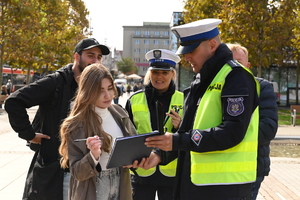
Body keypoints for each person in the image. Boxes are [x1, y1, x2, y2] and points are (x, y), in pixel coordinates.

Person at [143, 18, 260, 200]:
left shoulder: (236, 77)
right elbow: (187, 131)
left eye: (192, 51)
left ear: (212, 45)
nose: (186, 57)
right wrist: (160, 154)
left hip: (225, 188)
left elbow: (232, 132)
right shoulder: (202, 79)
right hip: (197, 185)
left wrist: (177, 141)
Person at [4, 38, 110, 200]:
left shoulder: (94, 85)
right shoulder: (56, 82)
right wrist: (29, 134)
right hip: (56, 169)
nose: (95, 61)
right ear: (77, 57)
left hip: (86, 168)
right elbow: (14, 102)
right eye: (90, 55)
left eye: (99, 57)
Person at [59, 63, 137, 200]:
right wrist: (93, 156)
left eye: (109, 88)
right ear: (88, 91)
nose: (107, 95)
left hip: (121, 181)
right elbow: (77, 172)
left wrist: (133, 159)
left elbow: (133, 146)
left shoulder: (119, 112)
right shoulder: (76, 124)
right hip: (92, 187)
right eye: (100, 90)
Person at [125, 49, 184, 200]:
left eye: (165, 73)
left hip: (172, 172)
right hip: (141, 171)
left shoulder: (184, 99)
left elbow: (191, 134)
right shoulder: (134, 100)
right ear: (149, 73)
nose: (159, 76)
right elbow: (125, 135)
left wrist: (180, 126)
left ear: (173, 74)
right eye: (155, 72)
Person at [227, 43, 278, 200]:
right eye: (228, 62)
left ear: (248, 66)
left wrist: (227, 138)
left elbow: (267, 128)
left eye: (238, 62)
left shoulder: (262, 87)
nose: (233, 67)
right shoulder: (216, 88)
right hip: (220, 169)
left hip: (251, 168)